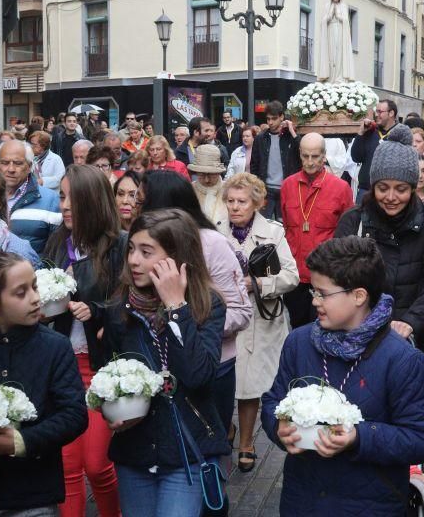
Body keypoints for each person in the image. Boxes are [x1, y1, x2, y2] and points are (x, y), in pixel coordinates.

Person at [262, 236, 424, 516]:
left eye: (323, 293)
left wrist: (359, 437)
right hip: (303, 499)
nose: (316, 301)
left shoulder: (403, 359)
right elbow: (273, 400)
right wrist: (278, 427)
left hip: (370, 503)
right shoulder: (299, 342)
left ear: (359, 296)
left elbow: (421, 440)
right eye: (314, 292)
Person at [101, 209, 229, 517]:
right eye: (131, 248)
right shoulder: (119, 309)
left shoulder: (207, 304)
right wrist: (111, 410)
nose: (133, 260)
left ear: (177, 257)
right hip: (135, 451)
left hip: (186, 451)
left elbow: (199, 375)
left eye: (146, 252)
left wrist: (176, 307)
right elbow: (108, 374)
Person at [141, 171, 253, 514]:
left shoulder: (211, 243)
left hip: (212, 366)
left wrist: (194, 325)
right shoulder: (139, 246)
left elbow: (241, 311)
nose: (134, 205)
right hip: (160, 370)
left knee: (206, 454)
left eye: (143, 199)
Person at [0, 253, 87, 516]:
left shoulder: (55, 347)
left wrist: (20, 441)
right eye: (21, 293)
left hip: (32, 496)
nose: (35, 298)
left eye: (34, 286)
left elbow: (74, 414)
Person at [43, 165, 127, 517]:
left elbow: (131, 300)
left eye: (72, 199)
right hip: (63, 367)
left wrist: (97, 310)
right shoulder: (57, 242)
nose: (64, 206)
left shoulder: (118, 245)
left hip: (100, 366)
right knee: (67, 466)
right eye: (61, 197)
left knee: (96, 464)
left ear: (91, 202)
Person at [334, 125, 424, 360]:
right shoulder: (354, 221)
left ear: (413, 187)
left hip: (413, 341)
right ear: (373, 185)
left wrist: (410, 322)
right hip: (359, 338)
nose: (391, 197)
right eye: (383, 188)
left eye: (401, 189)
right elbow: (337, 279)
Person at [216, 173, 299, 473]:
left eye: (242, 201)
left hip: (261, 319)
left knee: (250, 385)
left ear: (257, 203)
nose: (235, 207)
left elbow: (292, 276)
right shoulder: (214, 231)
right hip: (224, 317)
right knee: (223, 377)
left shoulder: (273, 232)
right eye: (230, 201)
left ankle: (247, 442)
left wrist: (258, 284)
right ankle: (226, 428)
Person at [280, 133, 354, 329]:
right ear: (299, 155)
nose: (310, 162)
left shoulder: (341, 188)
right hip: (295, 274)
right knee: (296, 329)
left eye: (315, 156)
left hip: (326, 275)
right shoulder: (288, 186)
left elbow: (347, 235)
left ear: (324, 156)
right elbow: (287, 227)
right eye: (305, 156)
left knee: (326, 329)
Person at [0, 140, 62, 254]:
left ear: (29, 166)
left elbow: (57, 251)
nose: (11, 169)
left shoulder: (51, 201)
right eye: (5, 163)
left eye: (18, 163)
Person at [249, 101, 301, 220]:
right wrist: (257, 187)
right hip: (265, 190)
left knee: (285, 227)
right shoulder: (260, 138)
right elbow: (254, 165)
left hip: (287, 190)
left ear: (282, 117)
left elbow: (302, 151)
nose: (270, 122)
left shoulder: (290, 138)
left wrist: (292, 131)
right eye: (268, 119)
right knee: (263, 224)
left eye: (274, 118)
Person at [350, 98, 400, 201]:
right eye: (375, 112)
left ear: (391, 113)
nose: (376, 115)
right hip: (366, 191)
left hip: (388, 193)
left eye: (380, 112)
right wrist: (360, 133)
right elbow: (356, 157)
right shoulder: (369, 132)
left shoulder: (401, 133)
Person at [316, 0, 354, 83]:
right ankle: (330, 77)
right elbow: (323, 22)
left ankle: (338, 77)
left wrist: (338, 15)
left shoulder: (343, 6)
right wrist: (329, 15)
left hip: (340, 32)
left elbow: (346, 21)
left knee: (339, 54)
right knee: (331, 54)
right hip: (330, 31)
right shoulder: (327, 6)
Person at [188, 145, 228, 222]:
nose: (207, 180)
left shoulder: (229, 191)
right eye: (201, 174)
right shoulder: (189, 191)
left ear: (218, 172)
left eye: (211, 174)